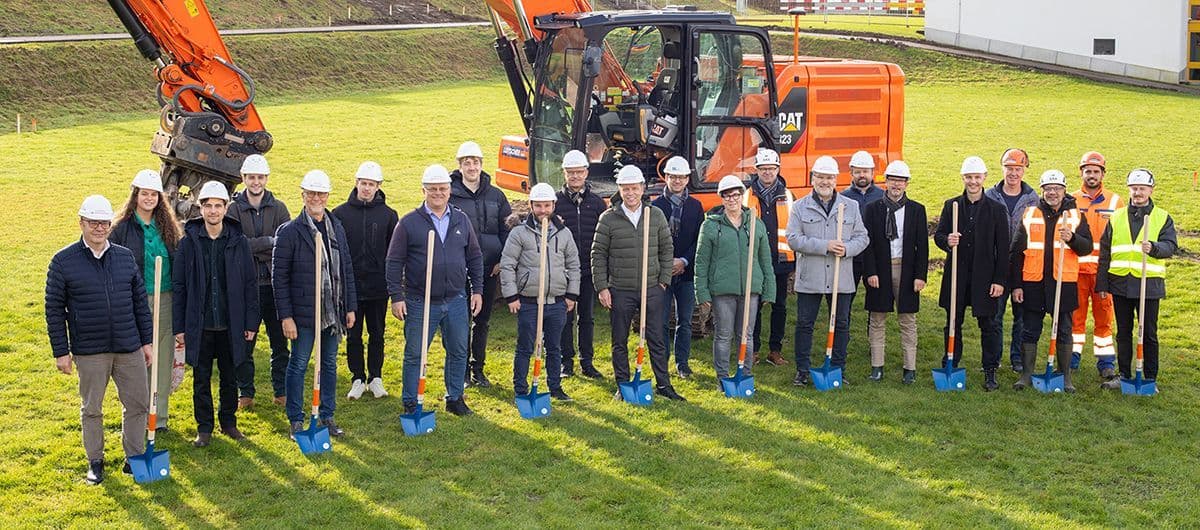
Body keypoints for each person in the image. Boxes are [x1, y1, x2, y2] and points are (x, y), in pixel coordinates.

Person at [46, 195, 152, 485]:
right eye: (93, 222)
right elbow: (54, 309)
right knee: (92, 408)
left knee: (139, 403)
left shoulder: (124, 256)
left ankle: (135, 458)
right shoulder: (62, 261)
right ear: (81, 222)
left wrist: (146, 342)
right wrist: (61, 351)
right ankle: (95, 461)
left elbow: (139, 302)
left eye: (104, 223)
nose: (99, 228)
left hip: (128, 344)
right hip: (89, 349)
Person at [387, 164, 484, 417]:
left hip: (455, 299)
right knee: (415, 353)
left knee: (459, 349)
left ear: (449, 191)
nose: (438, 193)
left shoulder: (461, 219)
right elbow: (394, 261)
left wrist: (477, 290)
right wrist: (397, 297)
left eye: (442, 189)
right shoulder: (409, 223)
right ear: (424, 190)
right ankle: (411, 401)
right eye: (433, 189)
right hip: (421, 300)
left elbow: (474, 256)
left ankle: (455, 398)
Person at [173, 182, 259, 447]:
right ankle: (205, 428)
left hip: (230, 322)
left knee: (230, 375)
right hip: (200, 323)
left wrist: (251, 322)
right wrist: (179, 326)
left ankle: (229, 422)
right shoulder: (188, 242)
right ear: (201, 208)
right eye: (208, 205)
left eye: (217, 206)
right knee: (201, 378)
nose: (213, 211)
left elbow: (249, 284)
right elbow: (180, 286)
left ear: (226, 208)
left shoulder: (238, 242)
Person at [274, 170, 358, 438]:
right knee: (299, 363)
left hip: (333, 311)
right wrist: (286, 316)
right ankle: (296, 419)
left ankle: (327, 415)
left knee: (330, 364)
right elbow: (280, 277)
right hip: (303, 314)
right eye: (311, 193)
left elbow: (346, 268)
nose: (316, 198)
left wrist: (350, 306)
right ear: (303, 195)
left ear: (327, 196)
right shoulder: (289, 232)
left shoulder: (336, 227)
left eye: (321, 193)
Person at [592, 165, 684, 401]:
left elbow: (666, 249)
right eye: (625, 189)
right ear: (619, 190)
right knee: (619, 339)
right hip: (621, 289)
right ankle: (623, 385)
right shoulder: (609, 218)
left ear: (642, 188)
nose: (630, 193)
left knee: (656, 338)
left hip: (651, 288)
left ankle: (663, 385)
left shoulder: (655, 215)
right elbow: (598, 254)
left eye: (634, 188)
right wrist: (602, 287)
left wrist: (663, 281)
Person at [786, 156, 869, 386]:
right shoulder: (801, 206)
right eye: (820, 177)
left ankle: (838, 368)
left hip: (840, 277)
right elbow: (793, 239)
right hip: (810, 277)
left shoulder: (850, 206)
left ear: (836, 179)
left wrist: (847, 249)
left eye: (829, 177)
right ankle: (802, 371)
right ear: (813, 178)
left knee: (841, 323)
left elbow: (862, 237)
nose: (825, 181)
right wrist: (825, 246)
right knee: (805, 324)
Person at [1009, 169, 1093, 393]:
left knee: (1064, 330)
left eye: (1056, 188)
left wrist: (1072, 238)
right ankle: (1026, 375)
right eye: (1048, 189)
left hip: (1063, 283)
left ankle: (1065, 377)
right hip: (1033, 282)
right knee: (1030, 330)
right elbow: (1016, 252)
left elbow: (1087, 248)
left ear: (1065, 191)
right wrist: (1016, 285)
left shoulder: (1076, 216)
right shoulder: (1030, 214)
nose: (1052, 193)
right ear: (1042, 190)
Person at [109, 169, 180, 429]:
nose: (149, 198)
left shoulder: (168, 227)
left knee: (162, 357)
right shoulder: (121, 229)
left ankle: (158, 417)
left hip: (166, 298)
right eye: (144, 193)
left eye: (154, 194)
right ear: (135, 195)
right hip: (135, 301)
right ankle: (137, 412)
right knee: (137, 359)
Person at [934, 156, 1010, 391]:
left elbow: (1004, 247)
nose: (973, 181)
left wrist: (999, 280)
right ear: (963, 178)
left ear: (984, 178)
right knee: (953, 322)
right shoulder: (952, 205)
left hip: (985, 278)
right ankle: (951, 362)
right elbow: (938, 236)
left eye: (977, 177)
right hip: (957, 275)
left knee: (989, 325)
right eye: (969, 177)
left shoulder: (997, 209)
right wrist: (947, 240)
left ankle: (990, 369)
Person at [500, 183, 580, 401]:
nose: (543, 210)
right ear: (531, 205)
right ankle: (521, 389)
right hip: (528, 301)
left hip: (556, 302)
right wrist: (512, 296)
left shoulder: (564, 234)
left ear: (554, 205)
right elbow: (507, 264)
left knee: (554, 347)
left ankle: (555, 387)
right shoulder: (519, 233)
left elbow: (574, 264)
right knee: (525, 346)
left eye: (547, 205)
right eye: (538, 206)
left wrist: (572, 294)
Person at [1097, 169, 1176, 391]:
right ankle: (1123, 375)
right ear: (1129, 189)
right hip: (1121, 284)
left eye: (1142, 188)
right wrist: (1102, 283)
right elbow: (1105, 253)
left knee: (1149, 333)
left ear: (1151, 190)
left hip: (1149, 285)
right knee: (1123, 332)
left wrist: (1155, 248)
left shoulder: (1162, 216)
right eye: (1134, 188)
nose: (1138, 192)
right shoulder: (1117, 216)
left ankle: (1150, 377)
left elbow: (1171, 246)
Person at [694, 176, 774, 387]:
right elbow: (701, 262)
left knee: (746, 335)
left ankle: (744, 375)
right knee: (723, 334)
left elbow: (765, 260)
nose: (732, 200)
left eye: (736, 195)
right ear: (722, 199)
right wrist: (702, 292)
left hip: (750, 290)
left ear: (742, 196)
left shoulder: (755, 224)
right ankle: (723, 377)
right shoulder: (710, 226)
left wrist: (769, 290)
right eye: (727, 196)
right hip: (723, 291)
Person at [228, 154, 292, 407]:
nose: (256, 182)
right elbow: (234, 245)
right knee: (245, 345)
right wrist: (267, 242)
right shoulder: (233, 210)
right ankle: (246, 393)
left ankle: (281, 391)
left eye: (260, 177)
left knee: (280, 344)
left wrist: (252, 246)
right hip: (247, 288)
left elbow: (286, 245)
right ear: (243, 179)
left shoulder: (279, 208)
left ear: (266, 179)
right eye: (251, 177)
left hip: (275, 287)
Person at [332, 161, 398, 400]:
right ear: (356, 183)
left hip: (378, 288)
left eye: (371, 184)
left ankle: (376, 377)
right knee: (354, 334)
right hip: (351, 288)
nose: (367, 188)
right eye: (363, 183)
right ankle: (357, 378)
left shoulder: (389, 215)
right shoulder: (339, 214)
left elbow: (393, 253)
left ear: (378, 186)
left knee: (377, 333)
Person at [449, 141, 512, 388]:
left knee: (482, 321)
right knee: (461, 321)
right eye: (467, 162)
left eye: (475, 162)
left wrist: (501, 260)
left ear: (481, 165)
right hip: (459, 271)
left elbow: (508, 229)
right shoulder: (450, 194)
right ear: (460, 166)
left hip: (489, 269)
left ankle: (478, 369)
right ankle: (461, 369)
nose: (472, 166)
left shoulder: (496, 195)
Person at [861, 161, 928, 384]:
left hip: (906, 270)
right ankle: (877, 367)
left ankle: (910, 369)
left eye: (901, 181)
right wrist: (870, 272)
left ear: (906, 184)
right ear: (885, 182)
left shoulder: (917, 210)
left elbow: (922, 246)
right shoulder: (873, 209)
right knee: (877, 319)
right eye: (893, 180)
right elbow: (867, 244)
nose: (896, 185)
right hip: (880, 270)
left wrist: (920, 276)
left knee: (907, 320)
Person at [983, 148, 1039, 373]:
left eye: (1018, 169)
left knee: (1022, 317)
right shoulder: (990, 195)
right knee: (993, 317)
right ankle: (993, 360)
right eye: (1009, 168)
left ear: (1024, 170)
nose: (1013, 173)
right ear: (1002, 168)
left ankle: (1017, 358)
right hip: (995, 266)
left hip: (1023, 266)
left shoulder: (1033, 199)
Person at [1069, 151, 1122, 379]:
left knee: (1104, 320)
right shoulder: (1070, 200)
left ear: (1102, 174)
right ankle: (1071, 359)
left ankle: (1106, 363)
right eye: (1088, 171)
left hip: (1103, 273)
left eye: (1096, 171)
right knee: (1075, 319)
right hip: (1076, 270)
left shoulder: (1115, 201)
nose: (1092, 175)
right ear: (1081, 172)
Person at [555, 150, 606, 379]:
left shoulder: (596, 204)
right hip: (562, 272)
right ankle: (567, 362)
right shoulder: (555, 203)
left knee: (587, 318)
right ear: (564, 173)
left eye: (579, 172)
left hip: (587, 271)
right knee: (565, 318)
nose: (575, 176)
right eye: (570, 172)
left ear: (586, 172)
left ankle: (587, 362)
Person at [650, 156, 703, 378]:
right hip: (663, 272)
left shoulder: (695, 207)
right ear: (667, 177)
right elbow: (653, 240)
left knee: (685, 321)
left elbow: (699, 240)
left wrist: (684, 261)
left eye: (681, 177)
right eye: (673, 177)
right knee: (661, 321)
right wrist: (668, 263)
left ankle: (682, 363)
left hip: (687, 272)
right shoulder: (656, 206)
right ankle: (662, 362)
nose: (678, 181)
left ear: (687, 178)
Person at [745, 148, 794, 367]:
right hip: (754, 261)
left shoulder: (788, 195)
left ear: (777, 169)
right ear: (756, 170)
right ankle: (753, 349)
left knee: (780, 306)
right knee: (754, 305)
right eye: (763, 169)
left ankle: (775, 350)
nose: (767, 172)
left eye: (771, 168)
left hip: (780, 260)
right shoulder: (746, 195)